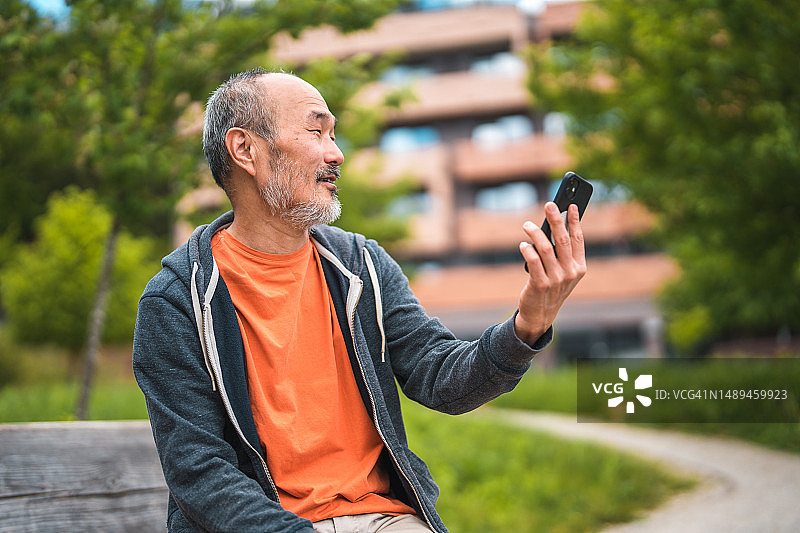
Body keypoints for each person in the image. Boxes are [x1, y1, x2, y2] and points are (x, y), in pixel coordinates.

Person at [133, 68, 587, 533]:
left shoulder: (362, 265)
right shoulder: (177, 301)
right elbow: (201, 473)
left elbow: (442, 379)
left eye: (334, 135)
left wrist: (528, 325)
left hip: (385, 519)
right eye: (316, 132)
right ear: (245, 150)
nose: (337, 154)